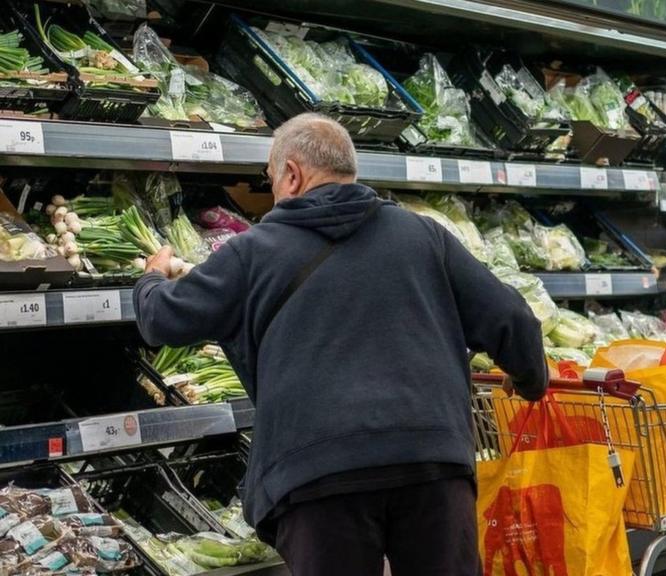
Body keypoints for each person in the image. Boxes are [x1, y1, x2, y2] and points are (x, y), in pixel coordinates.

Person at [134, 112, 549, 575]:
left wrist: (151, 277)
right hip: (431, 464)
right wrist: (528, 378)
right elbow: (513, 318)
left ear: (291, 174)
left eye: (270, 178)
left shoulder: (253, 251)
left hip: (319, 475)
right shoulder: (423, 235)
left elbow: (162, 321)